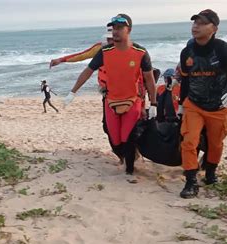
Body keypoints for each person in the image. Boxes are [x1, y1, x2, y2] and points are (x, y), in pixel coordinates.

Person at [64, 14, 158, 180]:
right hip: (111, 101)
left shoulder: (140, 52)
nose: (115, 31)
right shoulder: (105, 52)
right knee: (115, 139)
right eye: (113, 27)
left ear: (129, 29)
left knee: (127, 137)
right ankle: (128, 157)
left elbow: (149, 79)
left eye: (119, 27)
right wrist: (73, 92)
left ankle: (129, 170)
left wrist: (154, 103)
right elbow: (88, 71)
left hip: (132, 101)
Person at [178, 9, 227, 198]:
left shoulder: (223, 49)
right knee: (189, 141)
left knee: (215, 144)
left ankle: (210, 173)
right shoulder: (187, 52)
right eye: (194, 22)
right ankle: (191, 181)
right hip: (194, 104)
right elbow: (185, 80)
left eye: (202, 23)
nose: (196, 26)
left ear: (214, 28)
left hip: (218, 107)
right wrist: (181, 105)